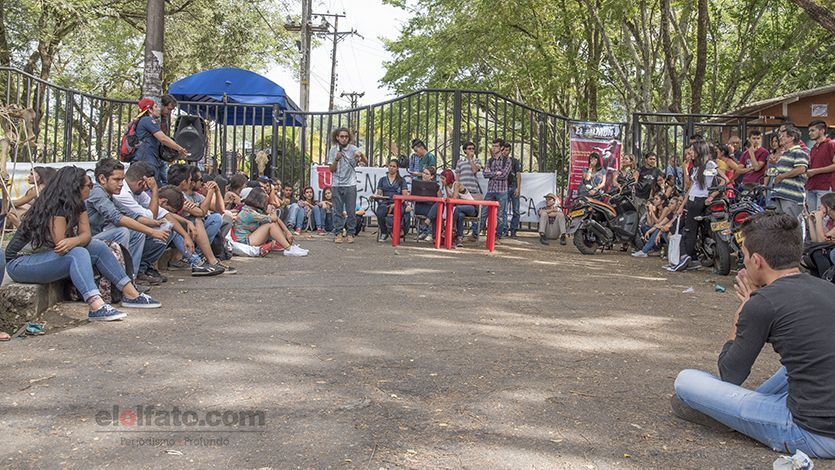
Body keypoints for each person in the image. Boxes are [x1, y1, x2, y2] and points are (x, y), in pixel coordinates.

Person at [672, 212, 835, 459]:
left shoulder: (763, 303)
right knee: (803, 363)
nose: (744, 263)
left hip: (811, 433)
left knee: (686, 381)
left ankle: (731, 415)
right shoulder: (827, 287)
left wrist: (744, 308)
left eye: (745, 257)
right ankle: (737, 410)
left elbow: (730, 374)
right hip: (822, 413)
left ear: (757, 261)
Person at [5, 166, 162, 321]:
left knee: (97, 246)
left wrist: (75, 240)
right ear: (75, 188)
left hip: (48, 256)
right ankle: (96, 306)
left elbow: (85, 236)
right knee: (77, 253)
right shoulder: (55, 208)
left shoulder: (79, 204)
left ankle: (131, 294)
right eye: (89, 185)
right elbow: (61, 245)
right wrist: (77, 241)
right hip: (20, 262)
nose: (92, 188)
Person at [85, 158, 170, 280]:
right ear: (102, 179)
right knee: (123, 232)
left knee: (137, 233)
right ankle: (121, 280)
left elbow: (131, 214)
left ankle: (131, 279)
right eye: (117, 180)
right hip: (88, 241)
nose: (121, 184)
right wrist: (152, 232)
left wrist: (155, 223)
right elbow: (118, 218)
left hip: (98, 239)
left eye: (122, 180)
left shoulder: (108, 195)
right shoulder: (97, 193)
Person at [670, 141, 722, 272]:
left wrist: (711, 196)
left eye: (692, 151)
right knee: (687, 229)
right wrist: (682, 205)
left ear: (699, 151)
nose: (690, 153)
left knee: (689, 230)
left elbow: (723, 180)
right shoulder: (697, 167)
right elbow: (691, 188)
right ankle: (691, 257)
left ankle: (686, 257)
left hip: (699, 201)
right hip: (692, 200)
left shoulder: (710, 165)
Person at [232, 188, 307, 257]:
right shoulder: (249, 213)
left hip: (250, 238)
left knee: (272, 223)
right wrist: (271, 210)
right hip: (244, 242)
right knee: (270, 225)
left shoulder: (253, 210)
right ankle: (288, 248)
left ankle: (288, 246)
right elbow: (273, 218)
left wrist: (287, 232)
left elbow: (276, 219)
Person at [133, 97, 188, 187]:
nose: (158, 109)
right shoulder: (147, 120)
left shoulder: (151, 121)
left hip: (152, 159)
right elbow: (163, 138)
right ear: (149, 110)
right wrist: (179, 148)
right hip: (147, 160)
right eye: (155, 107)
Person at [327, 127, 367, 243]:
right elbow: (331, 169)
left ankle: (351, 233)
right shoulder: (333, 150)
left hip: (350, 183)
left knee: (351, 211)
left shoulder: (353, 148)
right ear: (337, 137)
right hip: (336, 184)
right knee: (337, 210)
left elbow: (366, 161)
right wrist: (336, 159)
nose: (344, 139)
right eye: (342, 137)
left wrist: (361, 155)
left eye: (346, 137)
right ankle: (338, 233)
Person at [771, 125, 809, 220]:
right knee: (780, 224)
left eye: (783, 136)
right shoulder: (785, 154)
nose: (780, 138)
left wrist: (781, 177)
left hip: (791, 196)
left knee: (790, 224)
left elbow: (801, 169)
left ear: (791, 138)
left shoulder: (799, 152)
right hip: (779, 193)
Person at [478, 138, 512, 241]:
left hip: (502, 190)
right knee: (483, 212)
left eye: (496, 146)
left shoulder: (507, 160)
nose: (493, 148)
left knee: (500, 215)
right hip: (491, 190)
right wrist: (496, 173)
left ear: (501, 148)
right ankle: (476, 234)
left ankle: (497, 236)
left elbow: (505, 175)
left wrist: (492, 174)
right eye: (493, 146)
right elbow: (485, 174)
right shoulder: (490, 160)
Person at [373, 159, 409, 242]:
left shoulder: (401, 181)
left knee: (399, 211)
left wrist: (395, 205)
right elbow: (380, 193)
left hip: (398, 203)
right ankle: (384, 232)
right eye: (390, 166)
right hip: (385, 202)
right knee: (380, 212)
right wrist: (376, 196)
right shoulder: (382, 180)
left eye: (394, 166)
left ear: (397, 168)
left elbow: (404, 196)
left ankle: (396, 231)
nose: (391, 168)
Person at [439, 169, 475, 247]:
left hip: (471, 207)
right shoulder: (446, 186)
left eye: (443, 178)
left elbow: (454, 199)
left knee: (457, 209)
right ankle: (459, 238)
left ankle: (450, 228)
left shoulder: (456, 184)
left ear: (448, 178)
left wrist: (456, 199)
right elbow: (450, 200)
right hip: (459, 208)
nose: (441, 180)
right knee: (460, 215)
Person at [805, 121, 835, 212]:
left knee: (822, 218)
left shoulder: (831, 144)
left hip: (825, 187)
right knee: (812, 217)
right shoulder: (813, 148)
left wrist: (815, 171)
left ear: (822, 131)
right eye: (809, 131)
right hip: (811, 186)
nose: (810, 133)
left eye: (813, 130)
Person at [455, 141, 483, 238]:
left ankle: (475, 233)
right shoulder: (460, 162)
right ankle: (459, 234)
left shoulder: (477, 161)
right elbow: (457, 177)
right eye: (469, 149)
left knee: (473, 213)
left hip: (473, 191)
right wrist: (456, 190)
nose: (471, 150)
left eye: (472, 149)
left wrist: (471, 160)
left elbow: (475, 170)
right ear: (465, 151)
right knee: (461, 214)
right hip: (462, 192)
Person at [414, 166, 442, 241]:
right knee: (434, 212)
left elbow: (440, 199)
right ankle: (427, 231)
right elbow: (412, 196)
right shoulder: (417, 184)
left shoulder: (436, 186)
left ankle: (427, 231)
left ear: (432, 176)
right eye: (423, 173)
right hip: (420, 206)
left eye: (427, 174)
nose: (424, 175)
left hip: (430, 206)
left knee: (436, 208)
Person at [503, 142, 522, 238]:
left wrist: (518, 188)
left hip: (513, 186)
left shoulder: (514, 161)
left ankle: (513, 230)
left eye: (506, 150)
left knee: (516, 210)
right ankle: (505, 230)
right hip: (503, 188)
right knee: (504, 210)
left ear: (509, 151)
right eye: (503, 150)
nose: (504, 152)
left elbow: (518, 175)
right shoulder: (499, 161)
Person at [634, 152, 661, 218]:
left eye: (654, 159)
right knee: (635, 215)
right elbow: (634, 180)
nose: (652, 161)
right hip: (638, 195)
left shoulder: (656, 170)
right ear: (646, 160)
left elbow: (661, 181)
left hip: (649, 197)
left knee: (644, 216)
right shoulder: (640, 169)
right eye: (650, 159)